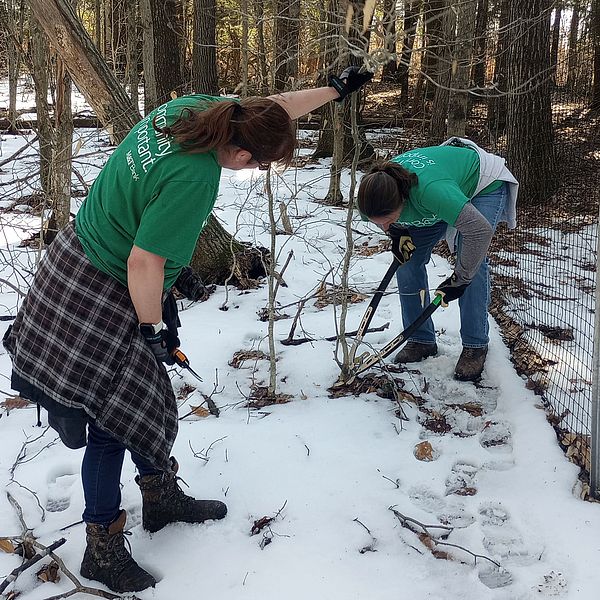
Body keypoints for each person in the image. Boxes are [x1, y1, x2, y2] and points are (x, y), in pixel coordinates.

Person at [3, 67, 372, 593]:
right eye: (262, 166)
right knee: (112, 421)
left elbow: (270, 105)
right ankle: (102, 549)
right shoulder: (196, 177)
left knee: (150, 399)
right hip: (101, 291)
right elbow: (144, 263)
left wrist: (334, 89)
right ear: (243, 158)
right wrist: (153, 332)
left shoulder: (197, 111)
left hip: (76, 259)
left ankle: (160, 497)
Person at [357, 137, 519, 382]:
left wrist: (460, 279)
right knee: (407, 262)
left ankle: (475, 345)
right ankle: (420, 340)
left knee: (471, 262)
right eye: (379, 224)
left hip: (480, 185)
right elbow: (387, 221)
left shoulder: (430, 191)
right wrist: (397, 233)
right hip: (440, 197)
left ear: (402, 200)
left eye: (389, 220)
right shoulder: (371, 197)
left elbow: (479, 230)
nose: (384, 227)